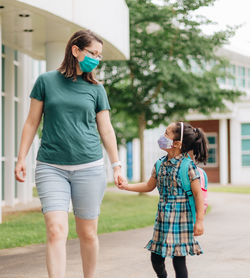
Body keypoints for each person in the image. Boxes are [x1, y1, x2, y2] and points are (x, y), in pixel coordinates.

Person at [15, 30, 126, 278]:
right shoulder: (45, 81)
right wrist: (21, 158)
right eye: (92, 53)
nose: (96, 59)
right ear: (76, 51)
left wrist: (116, 164)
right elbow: (32, 122)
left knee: (87, 233)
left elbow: (106, 129)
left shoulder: (96, 89)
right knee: (56, 230)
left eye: (99, 56)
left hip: (90, 167)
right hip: (51, 166)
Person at [119, 121, 208, 278]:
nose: (162, 136)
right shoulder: (159, 164)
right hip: (163, 220)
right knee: (156, 258)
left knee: (179, 261)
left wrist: (199, 221)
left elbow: (197, 195)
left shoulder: (188, 166)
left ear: (177, 143)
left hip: (181, 221)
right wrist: (127, 186)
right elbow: (148, 186)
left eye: (166, 133)